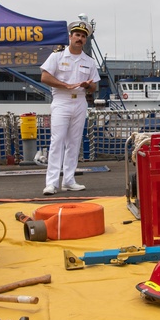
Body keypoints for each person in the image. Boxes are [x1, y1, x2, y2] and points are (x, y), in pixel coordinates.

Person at [41, 21, 100, 195]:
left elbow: (94, 87)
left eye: (83, 36)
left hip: (80, 101)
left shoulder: (89, 61)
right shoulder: (57, 57)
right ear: (70, 37)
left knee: (74, 142)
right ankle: (51, 183)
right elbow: (44, 76)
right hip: (61, 100)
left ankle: (68, 180)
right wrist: (65, 85)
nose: (80, 38)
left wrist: (88, 85)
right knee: (57, 141)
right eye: (77, 35)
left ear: (85, 39)